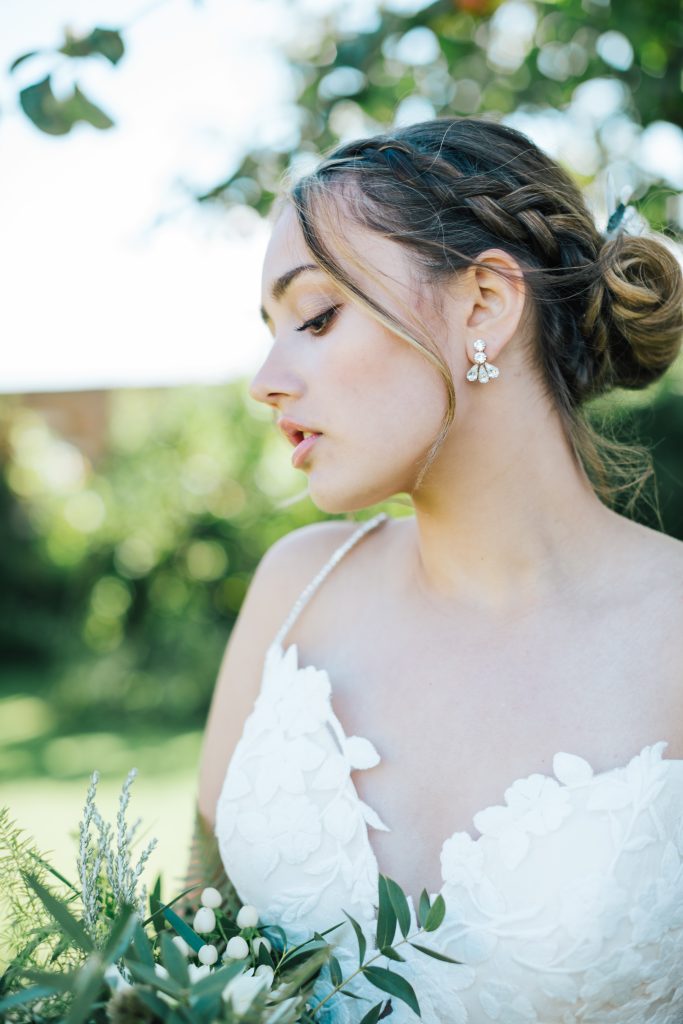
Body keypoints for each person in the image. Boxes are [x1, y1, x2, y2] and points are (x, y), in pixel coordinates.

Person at [186, 117, 683, 1021]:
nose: (265, 378)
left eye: (316, 316)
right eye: (270, 330)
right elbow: (188, 931)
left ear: (483, 303)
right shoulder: (293, 589)